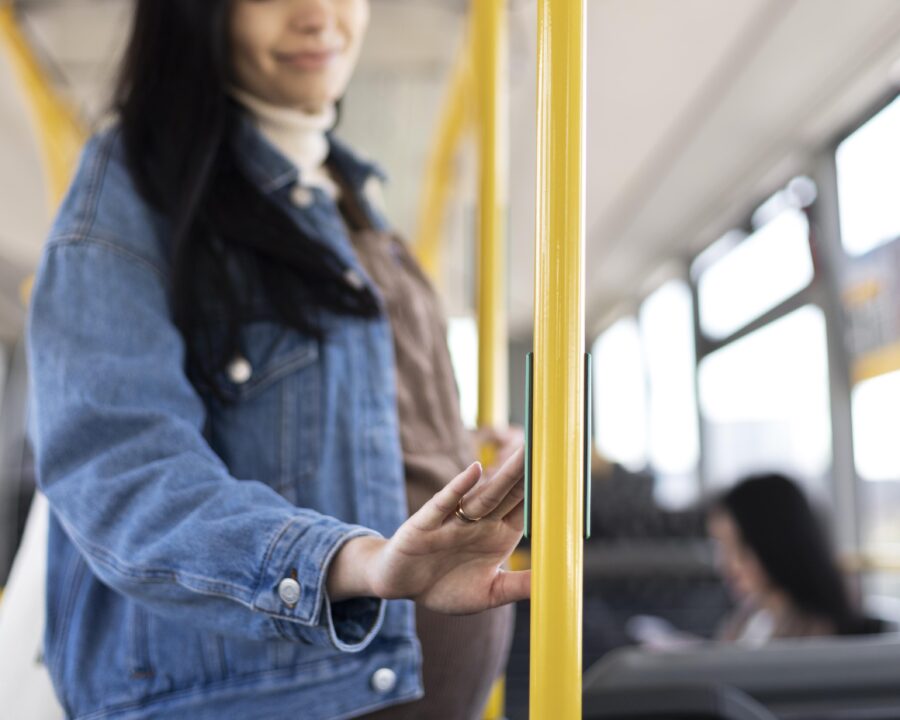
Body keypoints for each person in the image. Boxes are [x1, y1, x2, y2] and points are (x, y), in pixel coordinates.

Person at [26, 2, 529, 718]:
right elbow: (119, 468)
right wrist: (352, 563)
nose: (319, 16)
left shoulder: (351, 196)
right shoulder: (135, 185)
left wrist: (465, 455)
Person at [708, 474, 870, 645]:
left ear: (775, 544)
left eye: (741, 548)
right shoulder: (749, 617)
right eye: (722, 547)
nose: (724, 564)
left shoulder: (814, 634)